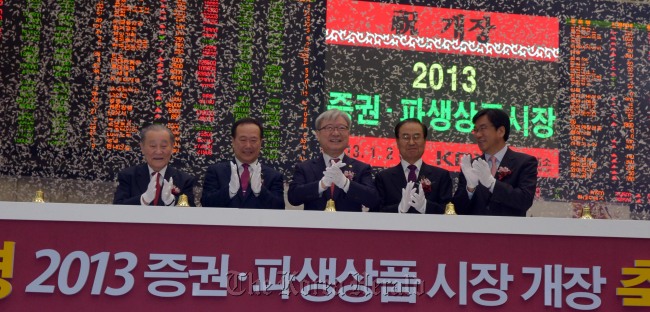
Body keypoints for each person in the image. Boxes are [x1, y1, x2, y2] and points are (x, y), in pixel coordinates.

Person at [288, 108, 379, 212]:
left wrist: (346, 184)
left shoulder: (361, 168)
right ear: (318, 134)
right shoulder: (304, 168)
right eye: (329, 128)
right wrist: (321, 185)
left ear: (348, 133)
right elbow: (293, 198)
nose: (336, 133)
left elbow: (373, 200)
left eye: (341, 128)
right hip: (314, 226)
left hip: (349, 226)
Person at [453, 108, 538, 216]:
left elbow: (524, 200)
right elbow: (458, 209)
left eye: (483, 128)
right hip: (475, 231)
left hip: (509, 231)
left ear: (501, 131)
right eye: (476, 130)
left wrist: (492, 184)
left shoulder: (525, 163)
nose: (478, 135)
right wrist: (470, 189)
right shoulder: (471, 166)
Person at [201, 118, 284, 209]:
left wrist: (260, 191)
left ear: (261, 142)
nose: (248, 146)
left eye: (253, 140)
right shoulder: (216, 171)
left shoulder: (274, 176)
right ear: (233, 141)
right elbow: (206, 203)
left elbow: (279, 208)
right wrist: (229, 191)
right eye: (243, 140)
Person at [375, 118, 452, 214]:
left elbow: (449, 212)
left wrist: (425, 206)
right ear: (397, 142)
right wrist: (399, 208)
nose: (411, 142)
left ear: (424, 141)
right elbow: (376, 211)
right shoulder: (383, 178)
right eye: (406, 137)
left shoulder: (441, 176)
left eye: (416, 137)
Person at [113, 124, 196, 206]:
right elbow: (117, 207)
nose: (158, 151)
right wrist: (143, 199)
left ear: (172, 148)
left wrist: (172, 201)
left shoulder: (185, 180)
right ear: (142, 148)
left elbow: (192, 211)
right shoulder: (128, 176)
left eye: (164, 146)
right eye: (153, 146)